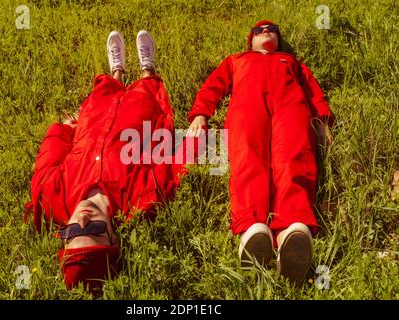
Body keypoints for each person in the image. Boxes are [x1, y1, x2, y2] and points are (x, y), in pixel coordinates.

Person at [25, 30, 201, 293]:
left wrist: (64, 129)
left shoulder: (51, 197)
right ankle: (147, 70)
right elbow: (174, 171)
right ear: (112, 235)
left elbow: (48, 158)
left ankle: (116, 71)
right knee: (145, 97)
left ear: (63, 237)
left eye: (72, 233)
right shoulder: (140, 199)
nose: (83, 219)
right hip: (136, 124)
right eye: (94, 229)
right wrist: (197, 141)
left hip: (93, 124)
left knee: (101, 94)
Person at [187, 20, 334, 283]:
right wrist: (200, 113)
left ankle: (291, 229)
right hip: (248, 106)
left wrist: (321, 121)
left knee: (294, 157)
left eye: (272, 30)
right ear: (250, 41)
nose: (265, 32)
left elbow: (313, 90)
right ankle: (252, 229)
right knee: (248, 156)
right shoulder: (236, 60)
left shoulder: (291, 62)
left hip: (290, 107)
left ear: (278, 39)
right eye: (259, 31)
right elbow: (214, 85)